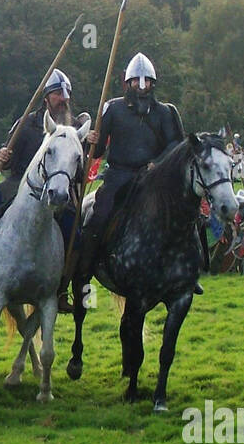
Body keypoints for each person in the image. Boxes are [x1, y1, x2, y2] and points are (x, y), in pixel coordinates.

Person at [0, 68, 83, 297]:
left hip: (57, 189)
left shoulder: (74, 127)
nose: (63, 99)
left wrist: (92, 143)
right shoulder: (26, 123)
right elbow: (7, 161)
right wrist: (3, 158)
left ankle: (62, 289)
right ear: (46, 98)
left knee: (76, 233)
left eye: (66, 94)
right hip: (17, 183)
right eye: (57, 94)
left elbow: (80, 165)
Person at [77, 52, 184, 279]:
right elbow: (97, 152)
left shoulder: (165, 112)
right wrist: (92, 141)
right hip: (118, 177)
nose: (142, 86)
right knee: (99, 218)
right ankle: (85, 270)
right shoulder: (112, 109)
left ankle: (186, 271)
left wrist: (157, 163)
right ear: (128, 82)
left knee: (182, 215)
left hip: (152, 180)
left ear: (153, 83)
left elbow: (176, 145)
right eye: (137, 81)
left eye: (146, 82)